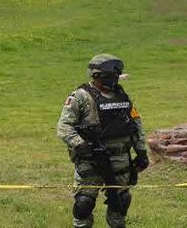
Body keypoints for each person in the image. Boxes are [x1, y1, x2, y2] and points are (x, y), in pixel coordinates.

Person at [57, 54, 149, 228]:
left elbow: (136, 124)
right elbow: (64, 127)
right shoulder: (80, 96)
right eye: (111, 75)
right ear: (98, 75)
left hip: (121, 159)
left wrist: (141, 152)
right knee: (84, 202)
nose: (115, 79)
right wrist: (80, 144)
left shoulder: (122, 96)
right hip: (91, 159)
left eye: (116, 75)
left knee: (121, 200)